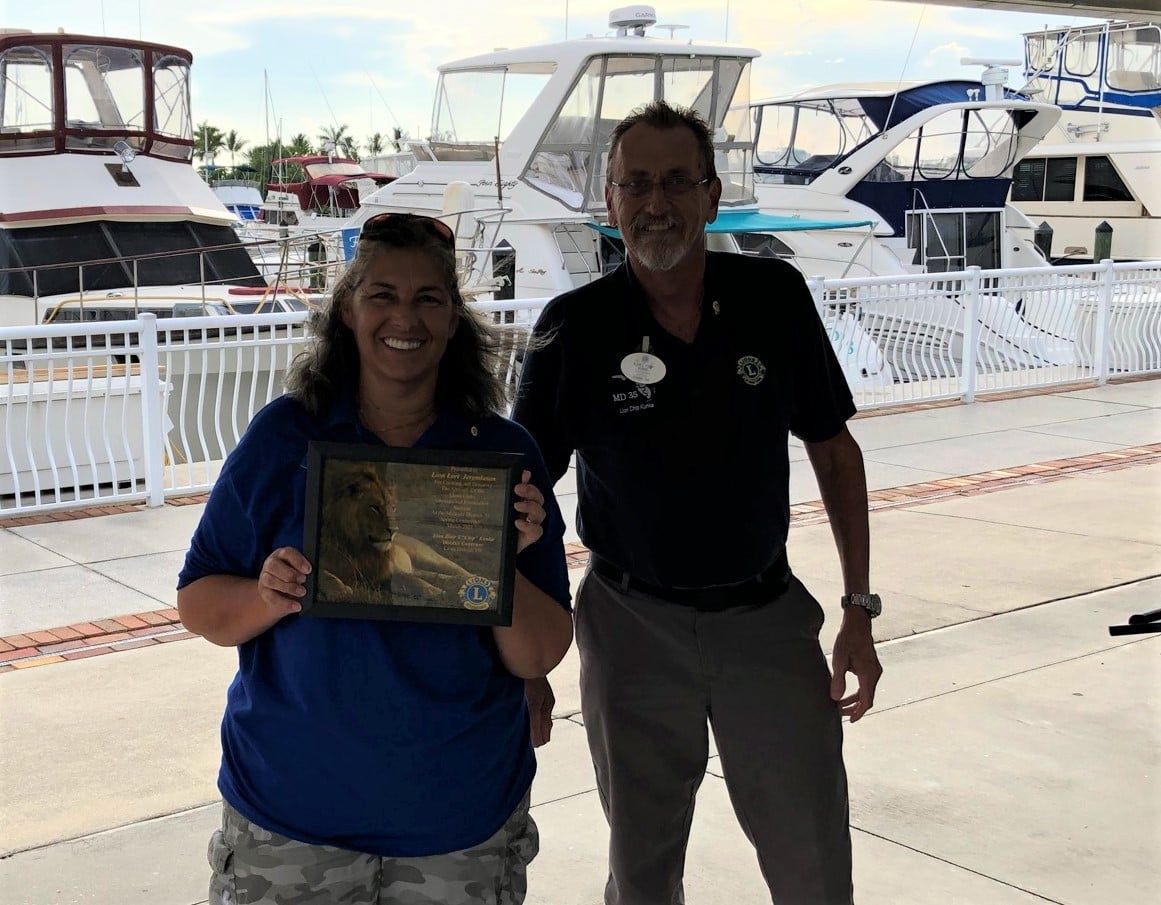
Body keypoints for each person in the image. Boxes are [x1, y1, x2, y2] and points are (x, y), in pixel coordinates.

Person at [513, 101, 883, 905]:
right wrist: (525, 662)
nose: (657, 202)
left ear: (713, 195)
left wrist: (857, 608)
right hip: (627, 622)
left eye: (678, 181)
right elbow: (521, 500)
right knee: (642, 872)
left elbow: (833, 448)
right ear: (608, 201)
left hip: (767, 619)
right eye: (636, 183)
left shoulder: (773, 296)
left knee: (812, 861)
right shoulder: (571, 328)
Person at [177, 212, 574, 905]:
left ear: (455, 320)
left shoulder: (501, 455)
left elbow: (538, 653)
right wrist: (266, 596)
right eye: (382, 294)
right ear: (348, 309)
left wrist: (500, 561)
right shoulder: (283, 436)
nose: (405, 317)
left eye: (429, 298)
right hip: (290, 820)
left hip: (458, 826)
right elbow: (199, 606)